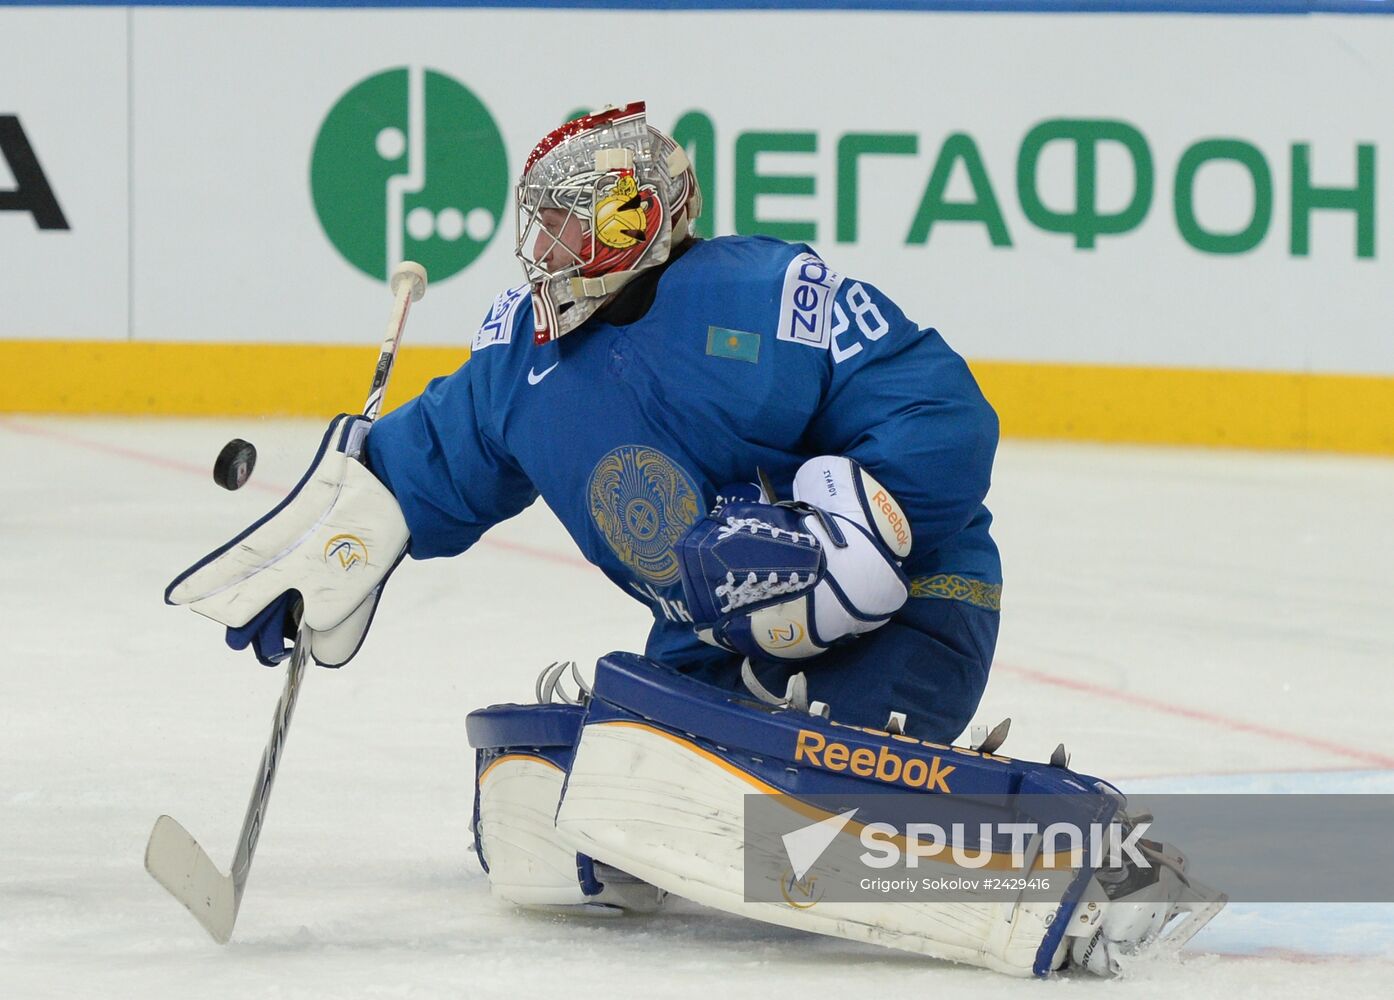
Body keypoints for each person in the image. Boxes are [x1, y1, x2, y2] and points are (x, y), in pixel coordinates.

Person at [167, 103, 1221, 977]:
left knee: (796, 810)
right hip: (714, 637)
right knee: (567, 780)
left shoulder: (761, 296)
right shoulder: (521, 362)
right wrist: (344, 537)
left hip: (908, 606)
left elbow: (936, 407)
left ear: (635, 221)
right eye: (542, 230)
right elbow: (424, 459)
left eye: (574, 228)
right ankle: (671, 811)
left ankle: (1085, 869)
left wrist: (845, 532)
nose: (550, 254)